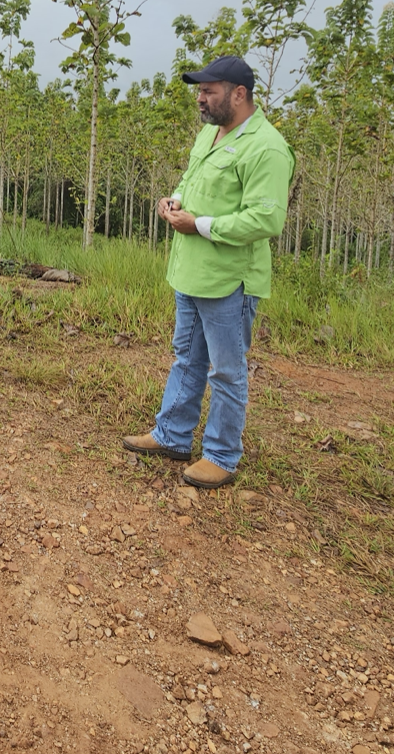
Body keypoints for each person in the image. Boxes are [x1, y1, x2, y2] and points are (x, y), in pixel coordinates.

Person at [121, 55, 294, 490]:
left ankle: (221, 454)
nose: (200, 99)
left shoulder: (267, 147)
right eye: (199, 91)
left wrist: (199, 225)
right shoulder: (209, 134)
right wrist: (174, 201)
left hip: (229, 280)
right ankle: (172, 435)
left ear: (239, 94)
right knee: (187, 358)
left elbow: (266, 220)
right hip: (192, 271)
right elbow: (193, 182)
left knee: (226, 370)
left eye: (208, 91)